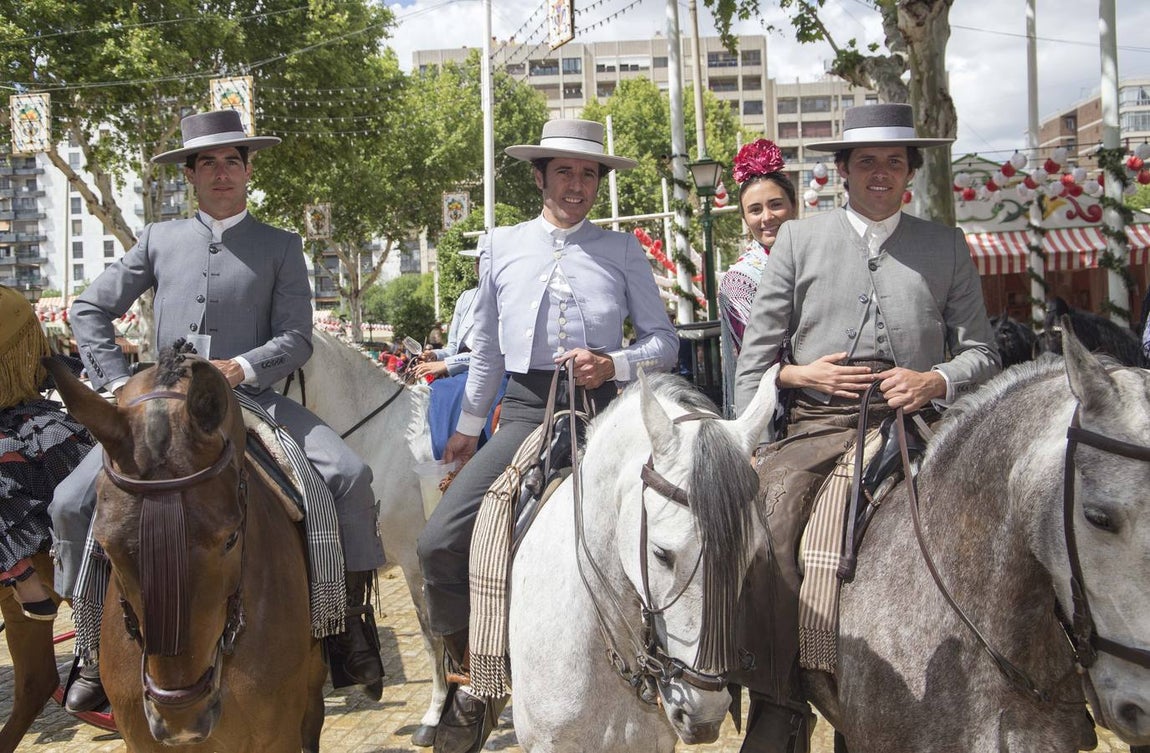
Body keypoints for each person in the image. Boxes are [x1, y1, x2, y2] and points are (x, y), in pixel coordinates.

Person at [50, 110, 386, 711]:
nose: (222, 171)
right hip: (157, 411)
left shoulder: (281, 245)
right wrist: (123, 385)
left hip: (251, 400)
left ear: (249, 169)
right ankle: (90, 651)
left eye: (233, 159)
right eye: (208, 161)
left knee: (348, 477)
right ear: (191, 174)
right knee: (70, 502)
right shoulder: (157, 238)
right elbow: (86, 309)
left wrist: (242, 368)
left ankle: (347, 628)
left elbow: (297, 336)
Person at [731, 103, 1001, 753]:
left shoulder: (946, 244)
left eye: (894, 160)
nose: (881, 172)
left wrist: (934, 379)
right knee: (764, 525)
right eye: (867, 161)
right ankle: (778, 698)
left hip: (919, 423)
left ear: (911, 169)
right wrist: (796, 382)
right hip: (819, 425)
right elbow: (755, 358)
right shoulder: (797, 241)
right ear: (843, 169)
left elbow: (984, 353)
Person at [416, 118, 679, 753]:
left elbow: (664, 343)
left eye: (588, 173)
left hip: (609, 417)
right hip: (529, 412)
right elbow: (485, 353)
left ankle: (685, 674)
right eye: (564, 171)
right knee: (436, 545)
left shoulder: (622, 251)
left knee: (677, 529)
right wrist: (468, 430)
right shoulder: (501, 247)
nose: (577, 184)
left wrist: (613, 364)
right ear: (538, 177)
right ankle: (472, 681)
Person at [1, 286, 95, 622]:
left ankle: (29, 576)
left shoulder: (7, 302)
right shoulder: (11, 303)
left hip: (24, 415)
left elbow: (38, 364)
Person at [718, 138, 798, 420]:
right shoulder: (739, 282)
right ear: (744, 217)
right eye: (755, 210)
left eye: (776, 204)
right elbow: (759, 360)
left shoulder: (824, 256)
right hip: (775, 409)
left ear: (794, 206)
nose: (767, 217)